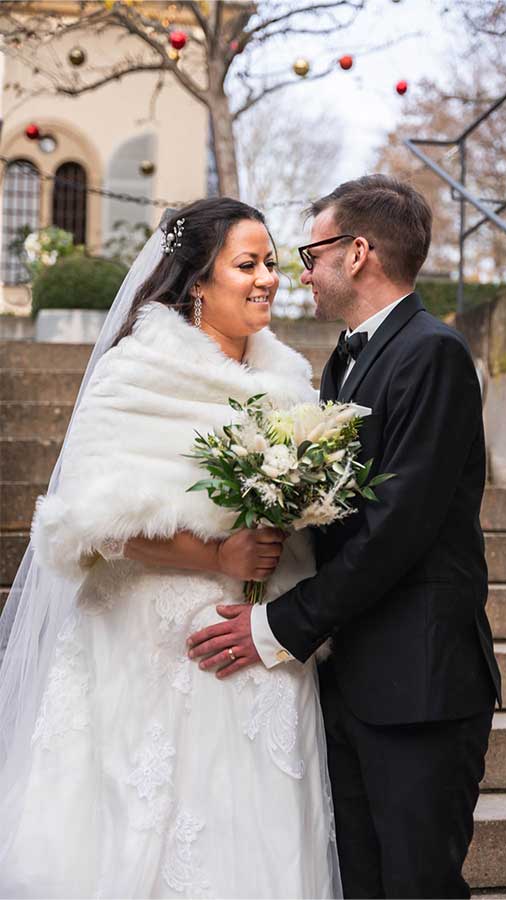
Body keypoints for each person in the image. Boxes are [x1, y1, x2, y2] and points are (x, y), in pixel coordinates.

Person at [0, 198, 341, 899]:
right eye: (246, 264)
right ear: (196, 283)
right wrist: (216, 558)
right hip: (148, 649)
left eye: (271, 263)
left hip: (263, 646)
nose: (267, 278)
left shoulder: (289, 384)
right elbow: (89, 525)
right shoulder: (135, 373)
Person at [187, 175, 503, 899]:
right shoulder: (344, 360)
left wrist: (280, 624)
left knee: (416, 885)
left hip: (420, 687)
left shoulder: (433, 353)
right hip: (353, 680)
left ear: (358, 253)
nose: (300, 270)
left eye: (311, 251)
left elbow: (400, 527)